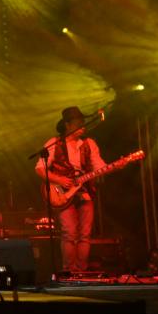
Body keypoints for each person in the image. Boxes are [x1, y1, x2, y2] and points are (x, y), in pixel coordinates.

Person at [35, 106, 106, 273]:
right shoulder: (54, 143)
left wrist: (112, 167)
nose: (83, 126)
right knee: (69, 233)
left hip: (85, 191)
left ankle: (81, 271)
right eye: (78, 123)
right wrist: (60, 180)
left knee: (85, 234)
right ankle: (69, 271)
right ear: (67, 125)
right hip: (63, 193)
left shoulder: (89, 143)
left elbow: (99, 166)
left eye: (83, 123)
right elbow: (40, 168)